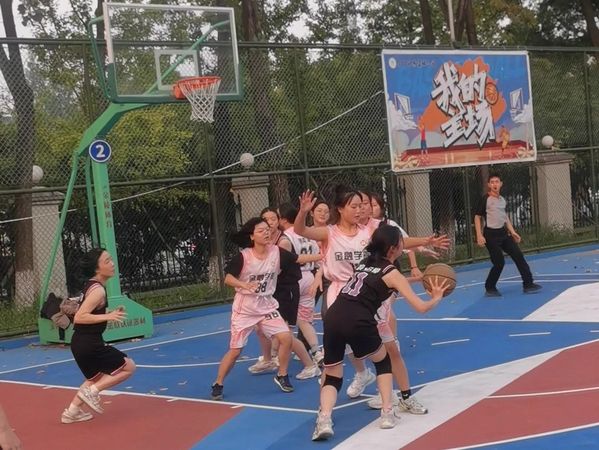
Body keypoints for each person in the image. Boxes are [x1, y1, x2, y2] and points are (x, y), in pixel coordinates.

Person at [311, 225, 448, 441]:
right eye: (402, 242)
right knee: (383, 361)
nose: (404, 244)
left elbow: (378, 282)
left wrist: (414, 277)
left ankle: (324, 419)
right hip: (358, 319)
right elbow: (421, 307)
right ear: (394, 248)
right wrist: (437, 297)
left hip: (334, 315)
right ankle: (387, 413)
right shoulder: (391, 272)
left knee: (333, 373)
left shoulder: (365, 262)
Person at [211, 217, 319, 400]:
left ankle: (282, 375)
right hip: (245, 309)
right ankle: (218, 383)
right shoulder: (244, 257)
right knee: (236, 351)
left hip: (267, 306)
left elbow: (298, 258)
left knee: (286, 337)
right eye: (261, 231)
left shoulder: (276, 252)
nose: (266, 233)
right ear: (252, 236)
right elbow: (228, 278)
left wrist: (323, 256)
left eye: (268, 229)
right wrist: (244, 285)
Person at [62, 248, 136, 423]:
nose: (112, 264)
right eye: (107, 261)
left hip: (80, 343)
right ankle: (93, 392)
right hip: (90, 343)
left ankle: (71, 412)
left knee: (94, 378)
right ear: (97, 268)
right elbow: (80, 317)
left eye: (111, 259)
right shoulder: (98, 291)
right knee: (129, 367)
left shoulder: (92, 285)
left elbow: (89, 311)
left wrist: (109, 312)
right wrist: (108, 317)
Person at [474, 173, 542, 297]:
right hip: (491, 235)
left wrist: (513, 232)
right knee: (499, 262)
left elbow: (504, 217)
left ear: (501, 184)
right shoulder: (485, 199)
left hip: (503, 233)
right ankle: (490, 287)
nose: (495, 184)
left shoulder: (502, 200)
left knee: (518, 255)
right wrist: (479, 235)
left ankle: (528, 284)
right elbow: (477, 217)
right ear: (489, 185)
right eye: (492, 182)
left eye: (497, 182)